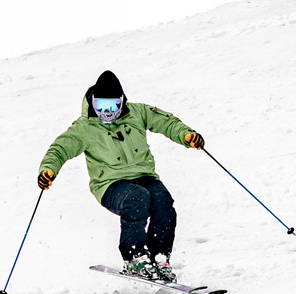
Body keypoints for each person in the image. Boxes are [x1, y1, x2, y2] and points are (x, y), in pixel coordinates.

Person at [37, 70, 204, 281]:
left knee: (163, 203)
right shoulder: (85, 127)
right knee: (137, 197)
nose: (106, 112)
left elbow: (167, 122)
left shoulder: (137, 113)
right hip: (109, 184)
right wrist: (48, 170)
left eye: (112, 106)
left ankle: (159, 257)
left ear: (122, 101)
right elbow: (60, 149)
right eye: (100, 106)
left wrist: (186, 135)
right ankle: (135, 257)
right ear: (93, 102)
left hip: (144, 176)